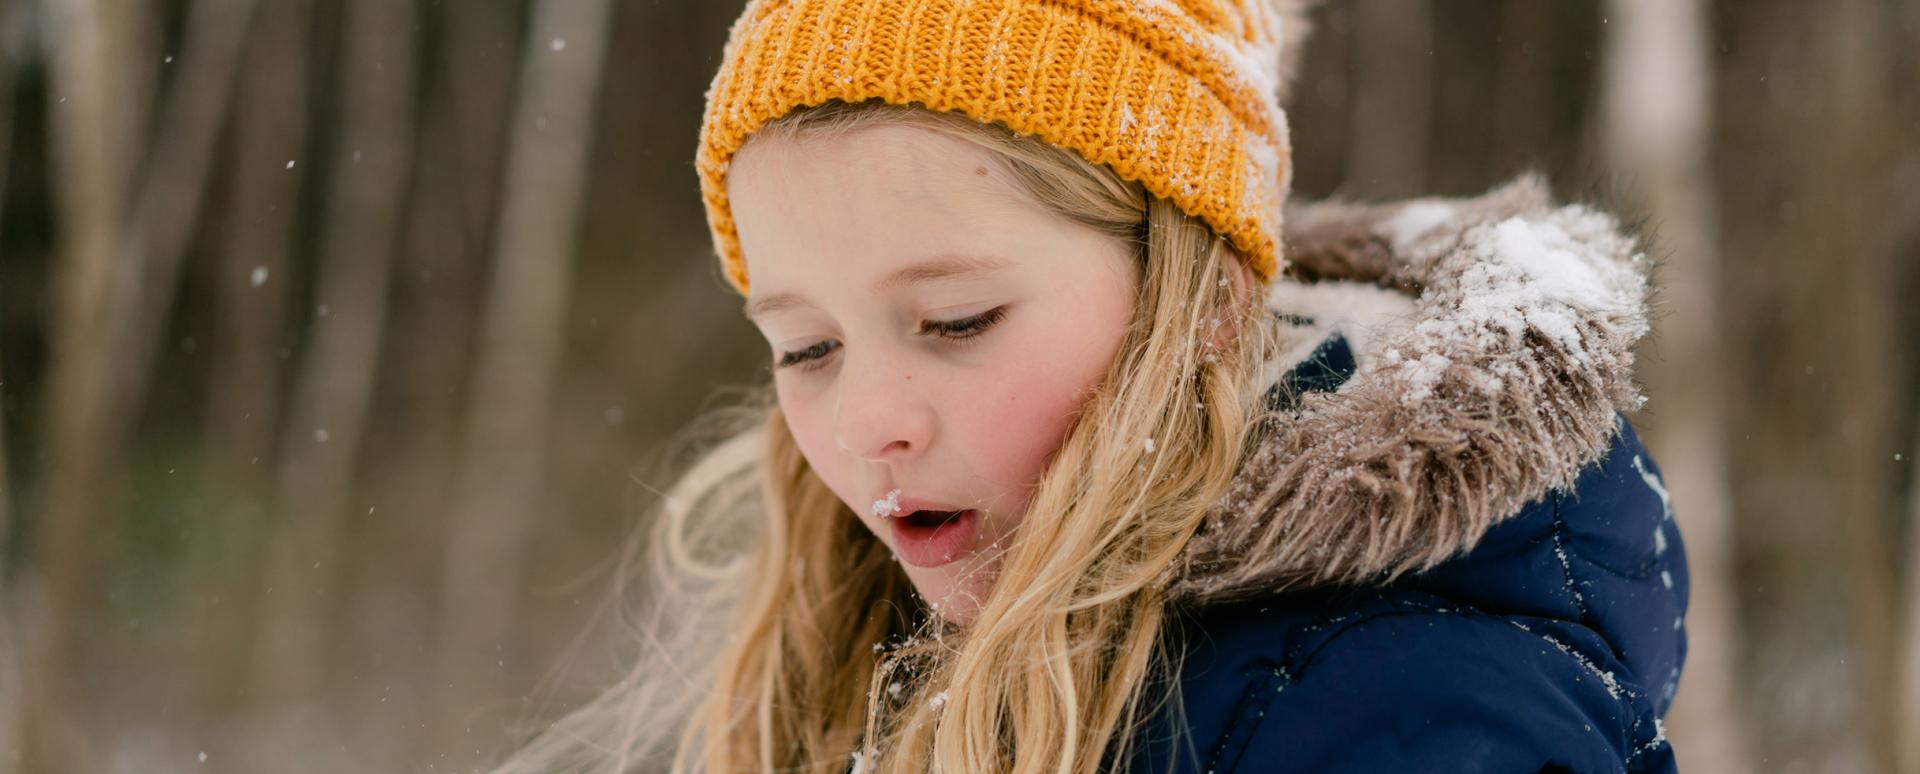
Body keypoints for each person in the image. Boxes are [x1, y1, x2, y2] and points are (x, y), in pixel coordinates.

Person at [493, 1, 1688, 772]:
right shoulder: (874, 653)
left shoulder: (1398, 718)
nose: (865, 425)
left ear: (1205, 299)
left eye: (956, 320)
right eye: (805, 347)